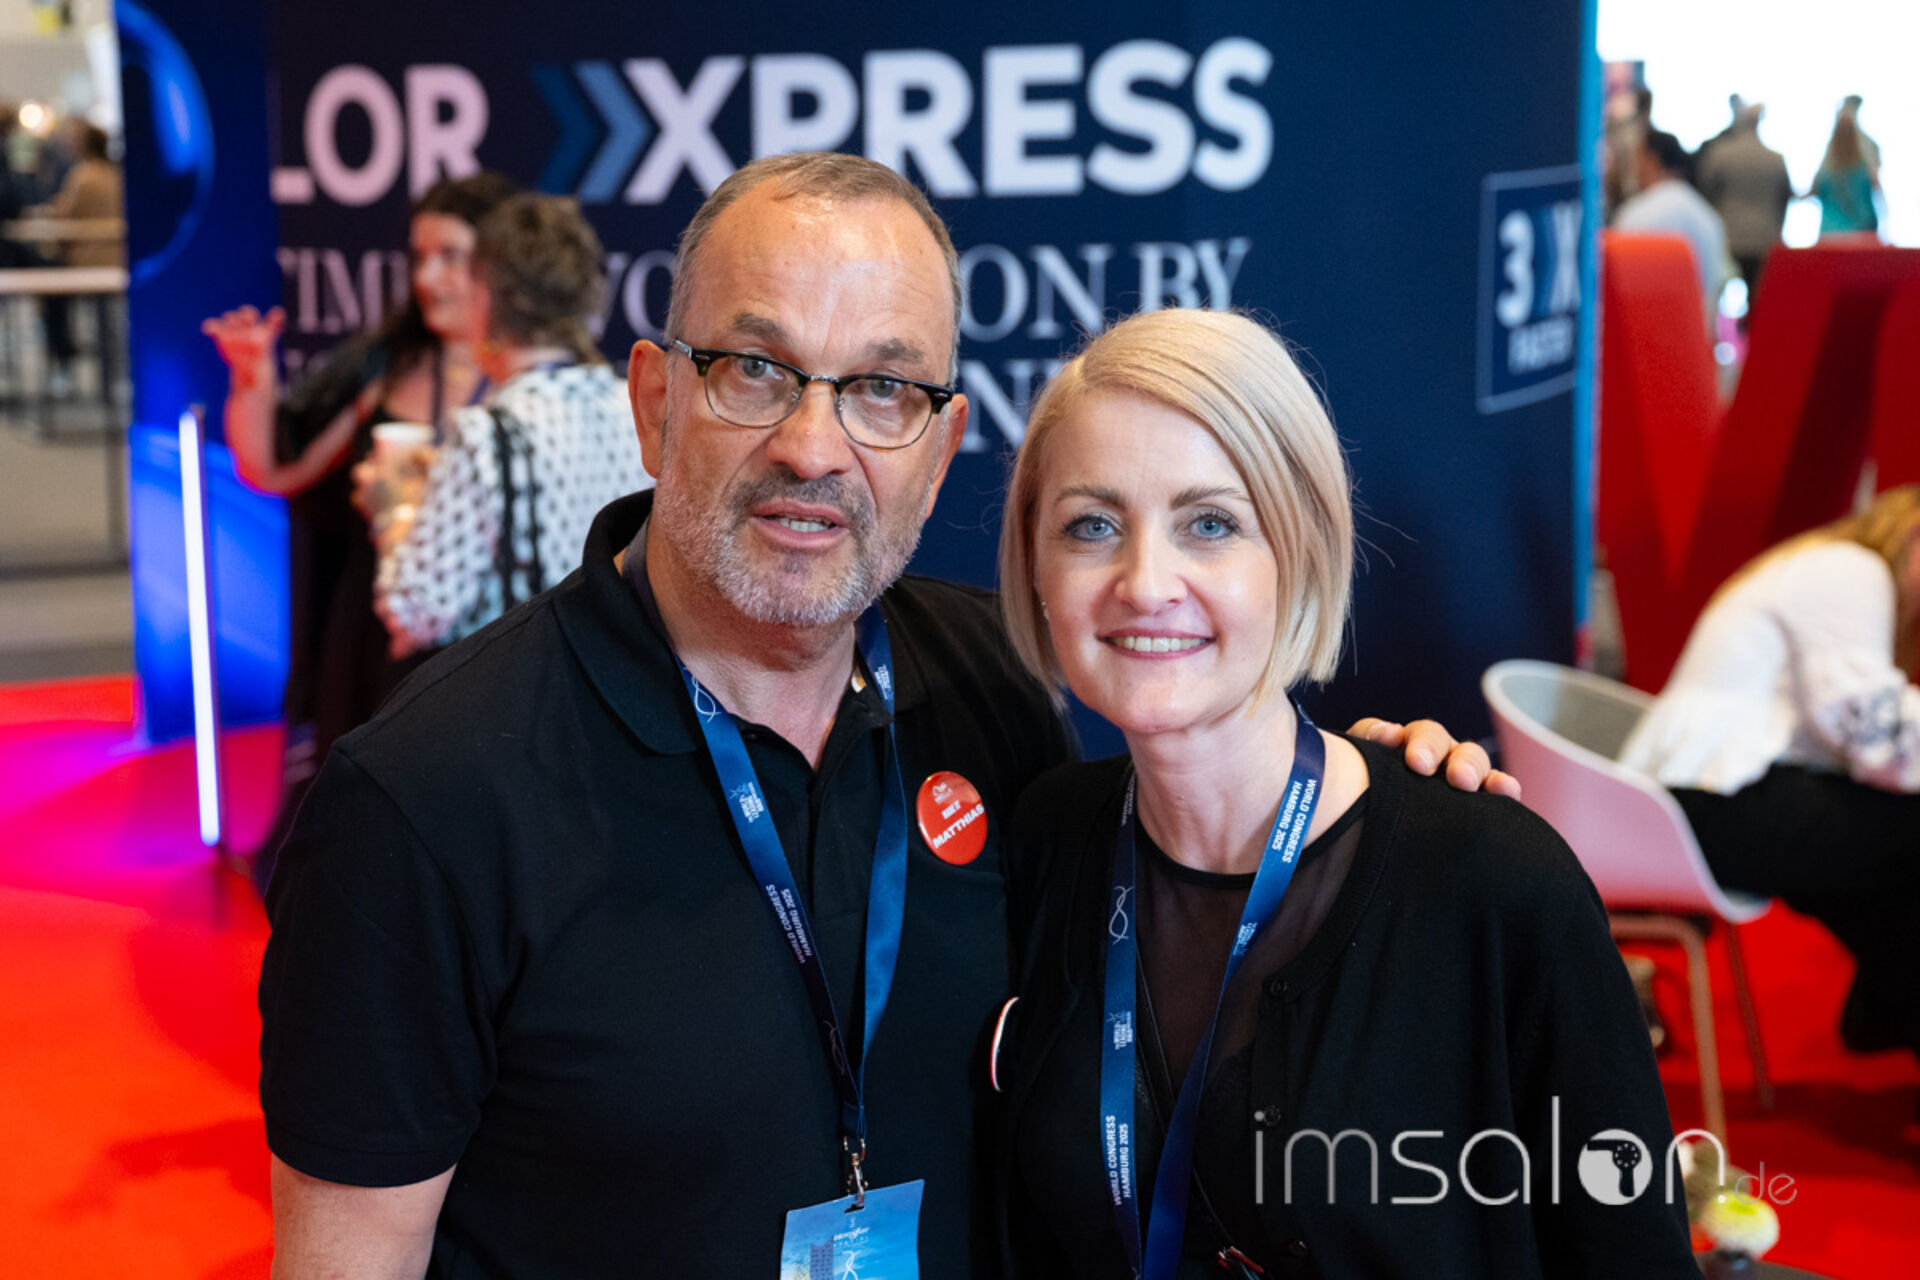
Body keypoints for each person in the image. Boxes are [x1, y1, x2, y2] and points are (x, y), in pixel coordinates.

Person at [258, 151, 1506, 1279]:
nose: (814, 446)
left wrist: (1388, 814)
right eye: (755, 370)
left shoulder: (993, 687)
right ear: (654, 402)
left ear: (943, 441)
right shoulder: (423, 800)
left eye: (883, 389)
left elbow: (1200, 897)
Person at [994, 308, 1694, 1277]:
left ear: (1301, 550)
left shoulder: (1491, 879)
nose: (1145, 581)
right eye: (1092, 525)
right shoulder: (1041, 844)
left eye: (1210, 524)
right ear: (1035, 564)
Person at [203, 171, 516, 886]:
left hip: (493, 639)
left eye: (451, 256)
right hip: (374, 638)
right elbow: (272, 467)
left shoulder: (539, 380)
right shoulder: (381, 369)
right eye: (421, 257)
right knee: (364, 843)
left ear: (503, 262)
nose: (429, 278)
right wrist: (252, 380)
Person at [1621, 486, 1920, 1067]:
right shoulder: (1853, 570)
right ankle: (1889, 1003)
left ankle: (1891, 1002)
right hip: (1706, 802)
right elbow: (1874, 733)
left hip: (1709, 798)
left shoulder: (1835, 568)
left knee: (1890, 872)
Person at [357, 193, 650, 654]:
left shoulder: (486, 434)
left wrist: (393, 509)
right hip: (620, 670)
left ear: (488, 298)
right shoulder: (637, 409)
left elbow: (415, 611)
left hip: (528, 682)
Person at [1614, 128, 1730, 335]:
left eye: (1636, 160)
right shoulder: (1708, 216)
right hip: (1697, 341)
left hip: (1645, 339)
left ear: (1651, 160)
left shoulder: (1636, 214)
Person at [1696, 105, 1795, 322]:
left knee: (1716, 297)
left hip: (1728, 237)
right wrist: (1777, 229)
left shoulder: (1720, 154)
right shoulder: (1775, 159)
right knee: (1758, 302)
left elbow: (1706, 193)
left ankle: (1716, 338)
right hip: (1764, 237)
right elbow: (1785, 198)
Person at [1811, 104, 1881, 239]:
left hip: (1830, 233)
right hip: (1861, 232)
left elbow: (1814, 191)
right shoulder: (1865, 169)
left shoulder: (1825, 170)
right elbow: (1876, 189)